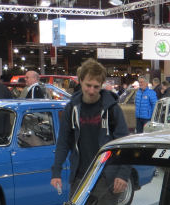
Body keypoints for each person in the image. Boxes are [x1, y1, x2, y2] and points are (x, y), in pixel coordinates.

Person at [51, 59, 129, 197]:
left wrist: (123, 174)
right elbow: (63, 142)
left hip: (105, 178)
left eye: (96, 87)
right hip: (79, 177)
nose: (91, 91)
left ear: (101, 85)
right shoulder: (71, 108)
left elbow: (124, 144)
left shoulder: (112, 109)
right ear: (80, 81)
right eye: (88, 85)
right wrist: (56, 172)